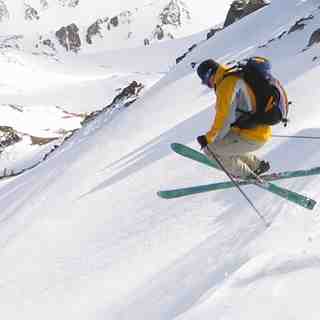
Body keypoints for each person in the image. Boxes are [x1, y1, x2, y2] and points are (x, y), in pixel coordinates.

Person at [195, 58, 272, 179]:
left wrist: (208, 139)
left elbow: (224, 118)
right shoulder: (234, 76)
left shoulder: (226, 85)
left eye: (205, 82)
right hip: (257, 131)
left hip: (251, 135)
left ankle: (246, 174)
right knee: (224, 144)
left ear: (209, 75)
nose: (208, 85)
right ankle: (256, 165)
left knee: (211, 150)